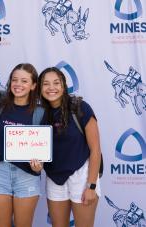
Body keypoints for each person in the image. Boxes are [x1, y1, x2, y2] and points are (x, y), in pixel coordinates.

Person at [38, 67, 101, 227]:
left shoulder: (80, 107)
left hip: (82, 176)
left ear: (64, 86)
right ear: (40, 88)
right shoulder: (39, 114)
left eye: (56, 83)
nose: (51, 88)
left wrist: (91, 186)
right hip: (54, 178)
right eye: (46, 84)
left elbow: (96, 150)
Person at [0, 63, 43, 227]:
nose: (18, 84)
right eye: (15, 80)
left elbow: (44, 147)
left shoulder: (40, 112)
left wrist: (39, 166)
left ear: (33, 85)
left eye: (24, 81)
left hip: (26, 175)